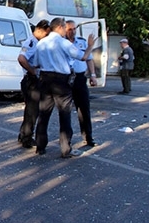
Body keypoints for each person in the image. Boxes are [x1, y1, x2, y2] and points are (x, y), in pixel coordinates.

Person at [33, 17, 95, 158]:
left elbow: (35, 63)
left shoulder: (41, 43)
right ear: (60, 27)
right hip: (61, 80)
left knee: (44, 113)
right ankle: (65, 148)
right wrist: (90, 46)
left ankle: (40, 146)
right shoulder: (63, 43)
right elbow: (83, 57)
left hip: (45, 78)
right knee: (64, 114)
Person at [17, 19, 50, 149]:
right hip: (31, 81)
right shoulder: (32, 42)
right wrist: (32, 71)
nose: (47, 37)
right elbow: (21, 58)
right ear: (40, 30)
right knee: (32, 111)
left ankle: (23, 134)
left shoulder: (36, 42)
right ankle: (26, 138)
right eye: (46, 34)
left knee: (30, 110)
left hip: (32, 80)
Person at [66, 20, 98, 147]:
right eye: (69, 29)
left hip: (79, 77)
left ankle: (88, 136)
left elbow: (89, 59)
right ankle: (66, 139)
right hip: (66, 78)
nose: (72, 31)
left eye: (74, 29)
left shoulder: (81, 42)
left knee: (84, 108)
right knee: (65, 110)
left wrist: (93, 75)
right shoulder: (62, 43)